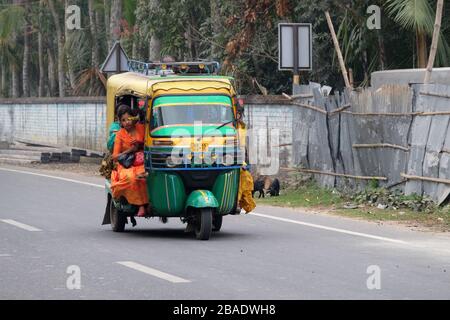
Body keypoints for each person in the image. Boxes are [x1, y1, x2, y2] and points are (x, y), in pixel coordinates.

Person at [111, 104, 149, 217]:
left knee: (145, 175)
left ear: (133, 118)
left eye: (128, 119)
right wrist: (130, 150)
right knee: (131, 178)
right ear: (120, 122)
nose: (126, 122)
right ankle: (141, 205)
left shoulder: (142, 128)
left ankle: (150, 203)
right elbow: (115, 156)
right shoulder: (119, 135)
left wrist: (140, 146)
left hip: (142, 162)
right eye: (123, 120)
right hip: (126, 165)